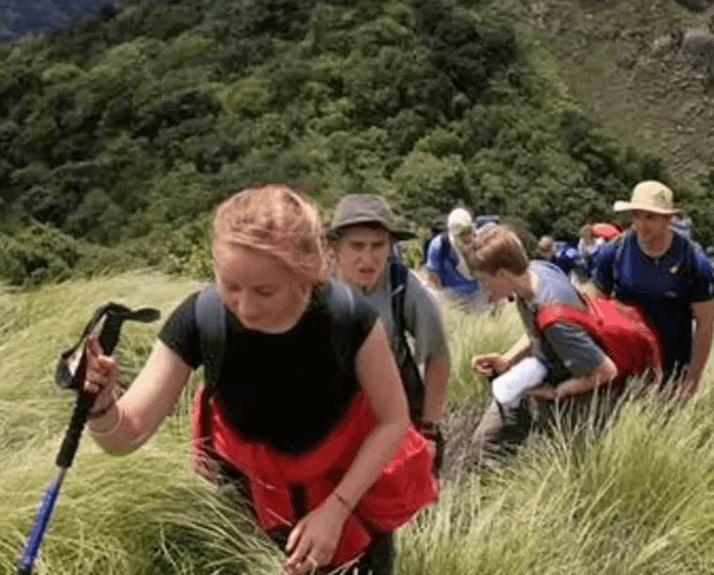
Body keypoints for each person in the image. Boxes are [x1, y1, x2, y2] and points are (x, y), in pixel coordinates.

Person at [80, 184, 437, 575]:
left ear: (307, 275)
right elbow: (124, 435)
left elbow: (392, 420)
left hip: (349, 501)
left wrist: (336, 509)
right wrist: (100, 402)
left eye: (265, 291)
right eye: (230, 286)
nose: (245, 307)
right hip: (250, 506)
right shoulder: (201, 320)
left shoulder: (348, 319)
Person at [468, 224, 620, 459]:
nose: (483, 287)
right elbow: (537, 331)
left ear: (502, 274)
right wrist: (507, 360)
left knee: (550, 461)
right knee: (484, 448)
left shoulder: (556, 320)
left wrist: (557, 392)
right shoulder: (536, 272)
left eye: (484, 279)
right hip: (540, 373)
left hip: (575, 396)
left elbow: (606, 372)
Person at [329, 194, 451, 470]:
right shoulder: (314, 288)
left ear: (391, 246)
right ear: (335, 247)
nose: (368, 258)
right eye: (357, 246)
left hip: (397, 399)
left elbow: (437, 355)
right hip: (335, 405)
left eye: (378, 246)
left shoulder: (401, 284)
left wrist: (429, 430)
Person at [584, 180, 714, 404]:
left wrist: (692, 381)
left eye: (650, 217)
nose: (640, 224)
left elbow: (705, 325)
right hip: (623, 363)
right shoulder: (613, 253)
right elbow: (593, 310)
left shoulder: (693, 262)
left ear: (668, 219)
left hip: (671, 368)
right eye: (636, 215)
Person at [424, 207, 483, 311]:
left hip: (480, 296)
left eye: (468, 231)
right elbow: (432, 281)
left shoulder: (481, 241)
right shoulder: (439, 245)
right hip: (451, 298)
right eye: (461, 234)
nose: (466, 237)